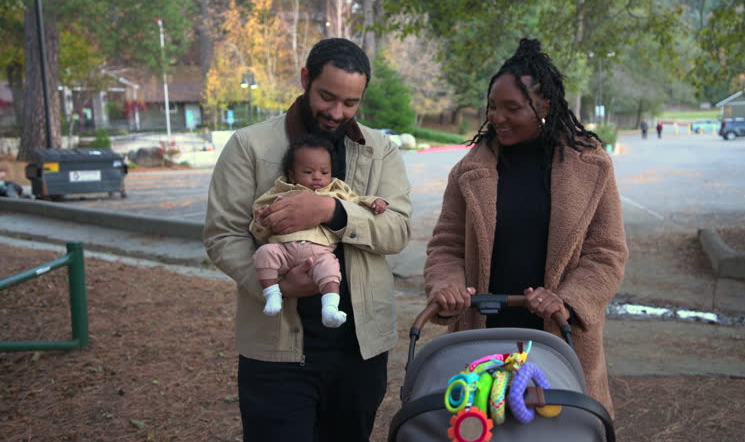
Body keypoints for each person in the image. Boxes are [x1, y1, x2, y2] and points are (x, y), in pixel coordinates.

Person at [203, 38, 412, 442]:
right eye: (327, 97)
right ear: (305, 79)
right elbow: (222, 235)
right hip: (275, 351)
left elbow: (398, 229)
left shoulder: (380, 149)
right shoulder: (249, 145)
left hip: (360, 349)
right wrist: (274, 284)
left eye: (350, 103)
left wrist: (331, 211)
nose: (337, 112)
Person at [424, 38, 628, 417]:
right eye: (492, 106)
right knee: (480, 429)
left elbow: (607, 253)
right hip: (482, 339)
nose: (497, 117)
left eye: (512, 108)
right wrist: (447, 285)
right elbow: (446, 246)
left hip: (560, 339)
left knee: (560, 430)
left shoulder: (591, 165)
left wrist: (567, 301)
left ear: (544, 105)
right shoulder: (469, 171)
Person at [250, 134, 388, 327]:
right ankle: (272, 294)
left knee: (330, 269)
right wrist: (260, 221)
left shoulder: (337, 189)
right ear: (292, 174)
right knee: (264, 254)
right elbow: (261, 219)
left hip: (320, 253)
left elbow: (356, 200)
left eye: (324, 172)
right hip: (283, 250)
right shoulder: (280, 192)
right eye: (308, 171)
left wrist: (374, 201)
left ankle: (330, 308)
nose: (317, 177)